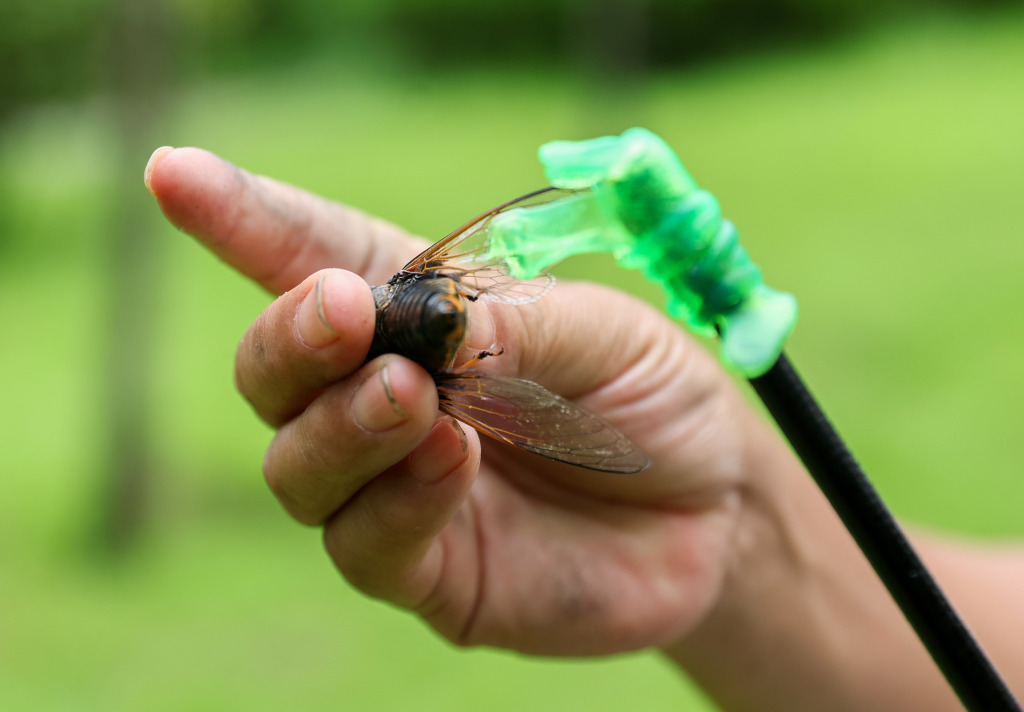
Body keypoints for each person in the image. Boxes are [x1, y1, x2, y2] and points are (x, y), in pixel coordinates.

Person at [144, 146, 1024, 711]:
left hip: (447, 350)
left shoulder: (429, 320)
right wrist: (740, 545)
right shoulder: (439, 301)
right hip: (447, 347)